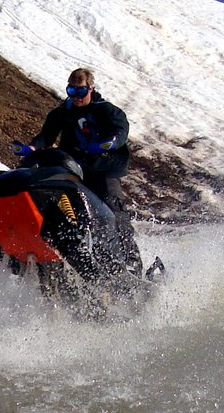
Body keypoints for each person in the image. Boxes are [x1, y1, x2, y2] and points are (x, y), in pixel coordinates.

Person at [11, 67, 140, 271]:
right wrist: (32, 148)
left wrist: (108, 143)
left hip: (103, 170)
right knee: (72, 212)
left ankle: (131, 262)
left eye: (81, 92)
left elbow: (120, 130)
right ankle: (70, 255)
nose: (77, 97)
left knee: (114, 213)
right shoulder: (63, 111)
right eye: (72, 92)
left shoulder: (105, 109)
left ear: (91, 89)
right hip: (75, 170)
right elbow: (47, 135)